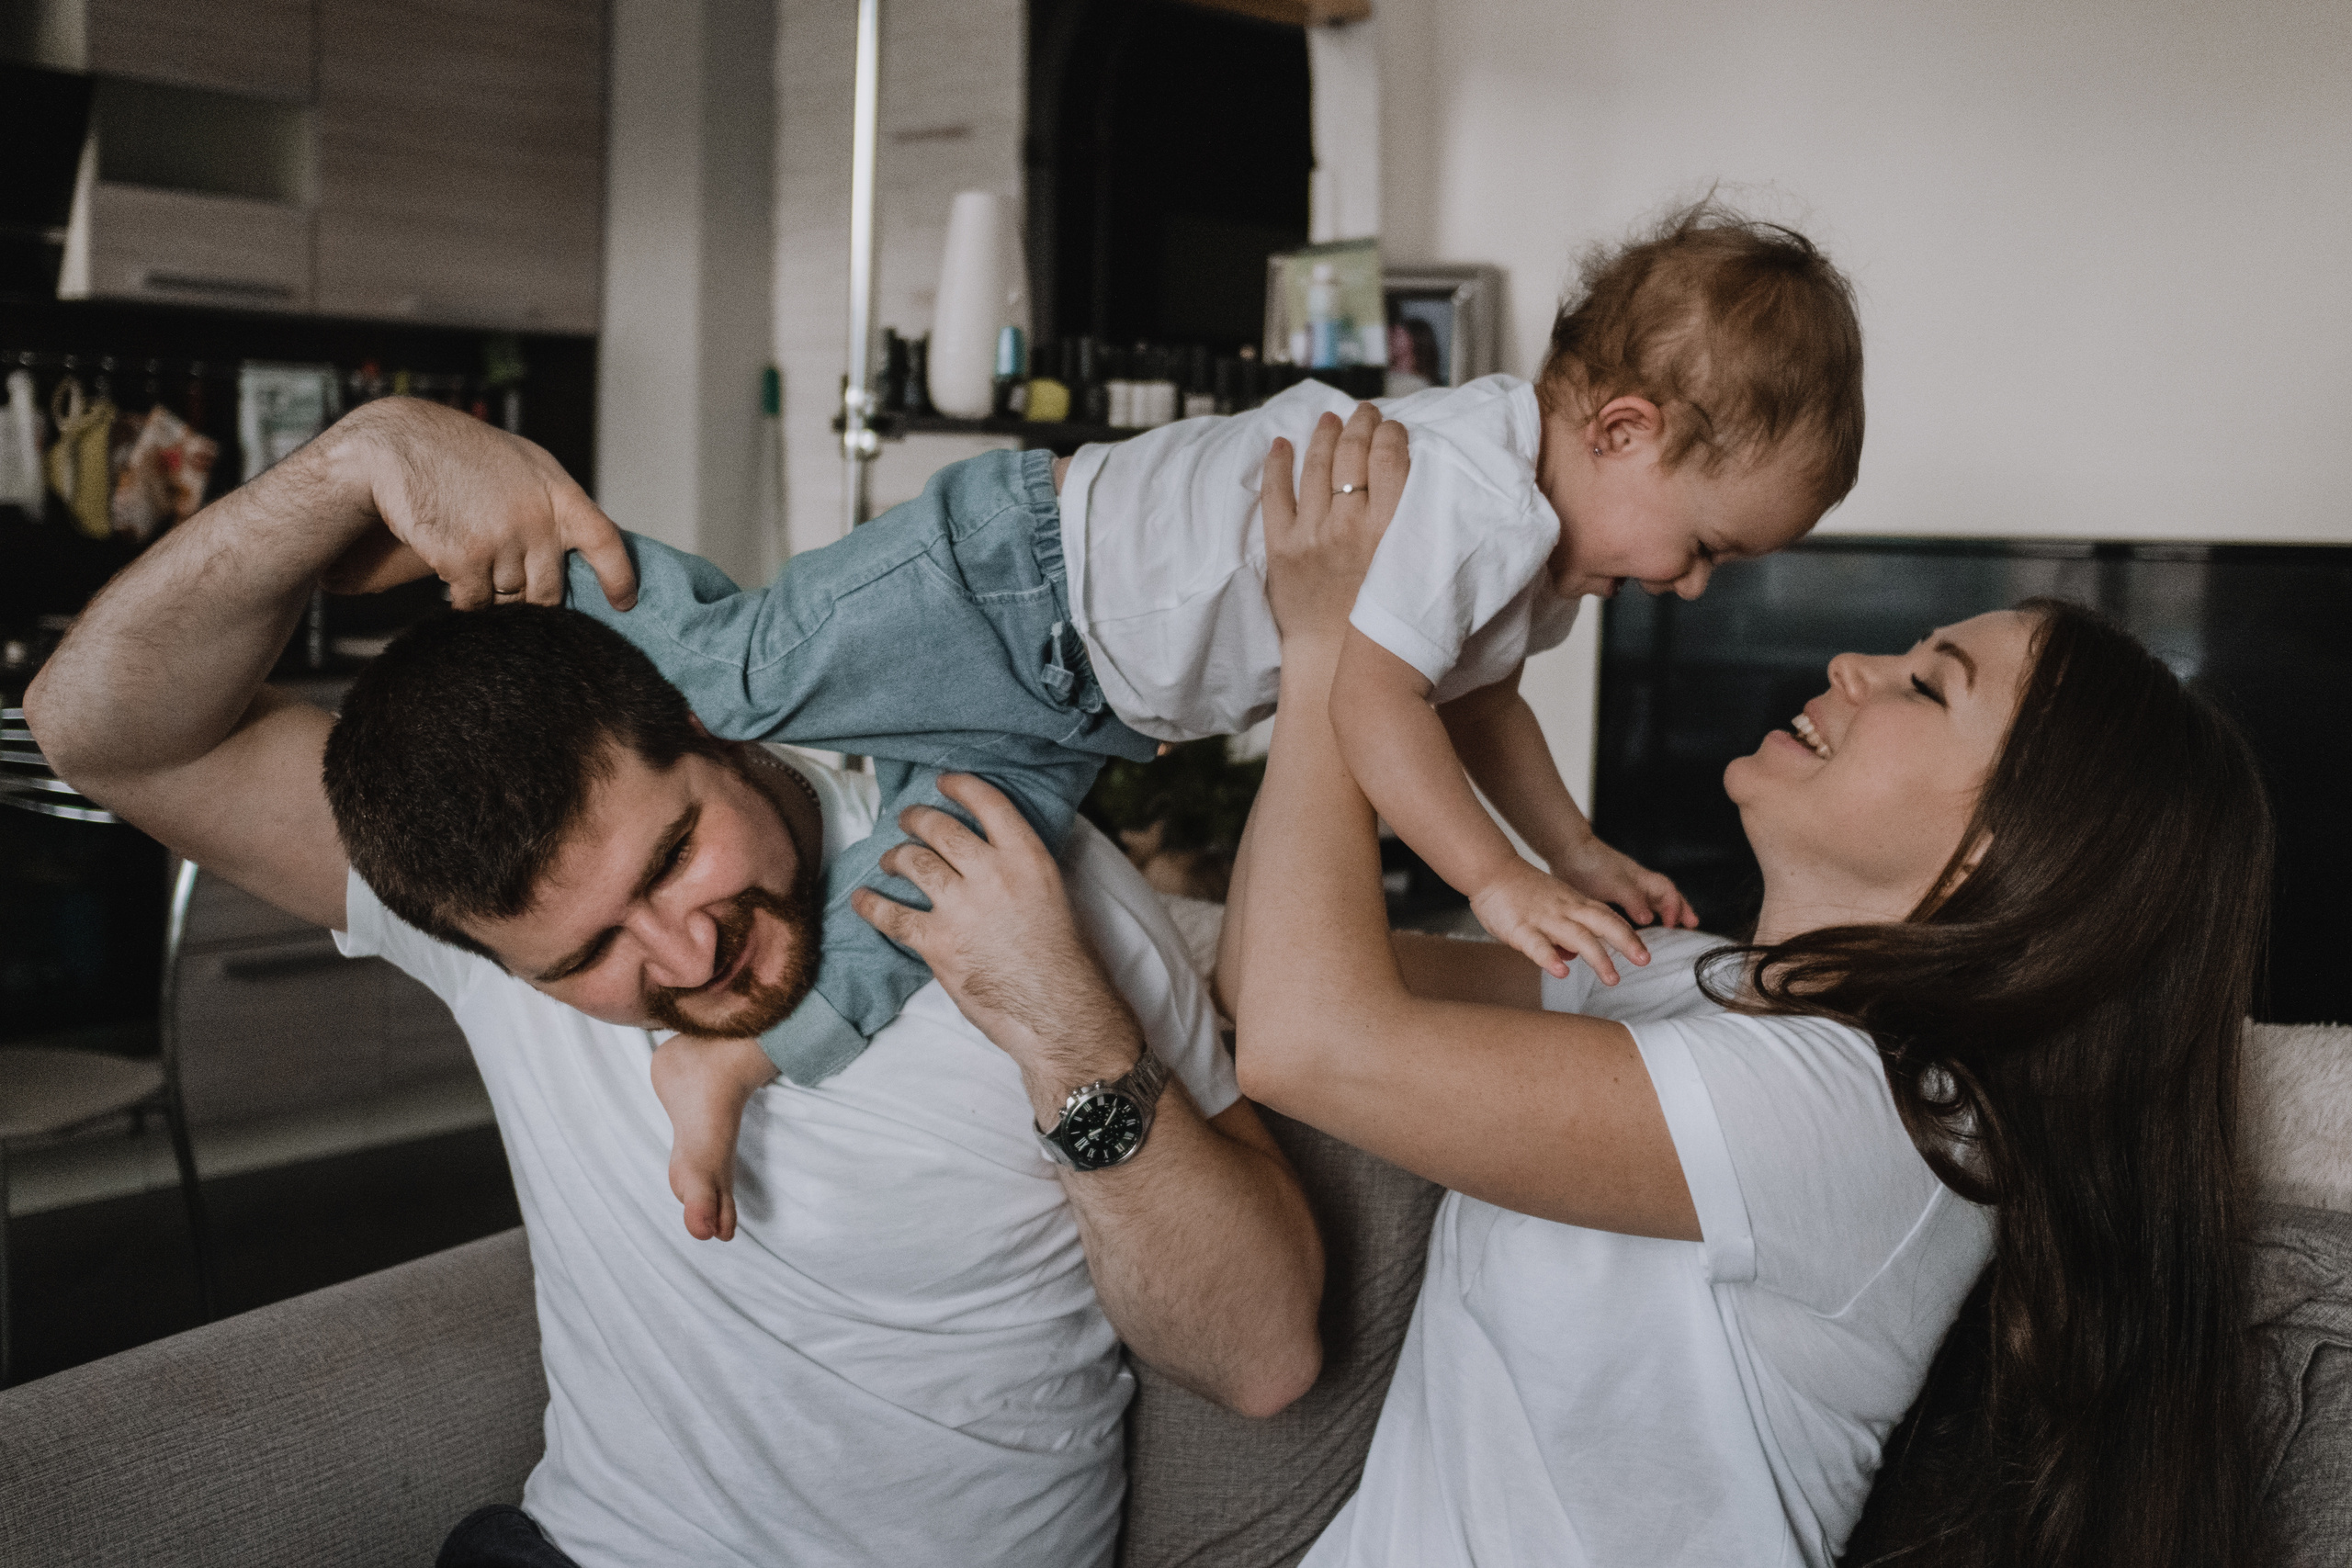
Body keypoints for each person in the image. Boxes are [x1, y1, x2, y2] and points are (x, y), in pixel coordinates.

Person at [885, 407, 2271, 1566]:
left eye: (1927, 685)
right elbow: (1271, 978)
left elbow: (1309, 1042)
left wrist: (1334, 652)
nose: (1856, 664)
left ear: (1998, 855)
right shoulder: (1694, 985)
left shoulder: (1884, 1121)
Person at [20, 397, 1324, 1568]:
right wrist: (360, 460)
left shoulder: (1030, 884)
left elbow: (1264, 1359)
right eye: (589, 957)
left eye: (676, 856)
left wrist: (1065, 1030)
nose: (689, 957)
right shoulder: (476, 929)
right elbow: (97, 727)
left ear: (703, 724)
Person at [548, 200, 1863, 1235]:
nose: (1694, 586)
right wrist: (1494, 879)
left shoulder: (1541, 573)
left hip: (1079, 714)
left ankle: (730, 1065)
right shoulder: (1476, 494)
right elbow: (1372, 700)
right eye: (1705, 546)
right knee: (732, 677)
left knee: (926, 901)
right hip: (1020, 577)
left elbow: (1483, 707)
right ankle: (542, 555)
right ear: (1624, 430)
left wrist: (1569, 849)